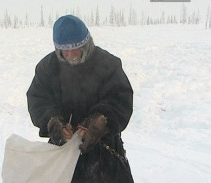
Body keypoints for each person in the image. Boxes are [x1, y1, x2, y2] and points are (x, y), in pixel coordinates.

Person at [27, 14, 134, 183]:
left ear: (86, 42)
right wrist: (54, 122)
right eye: (64, 49)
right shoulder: (47, 68)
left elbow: (121, 99)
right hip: (63, 149)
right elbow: (38, 100)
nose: (70, 54)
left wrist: (99, 121)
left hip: (103, 150)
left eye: (75, 47)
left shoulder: (108, 64)